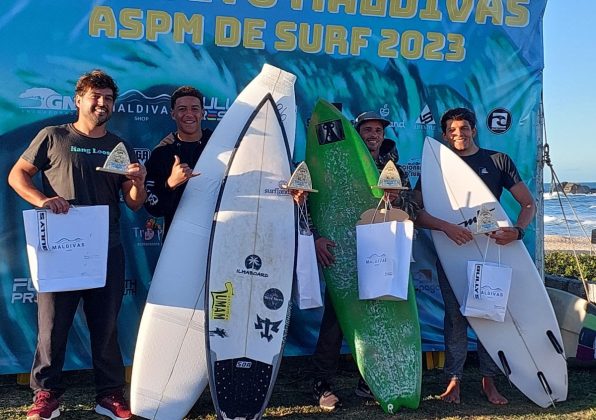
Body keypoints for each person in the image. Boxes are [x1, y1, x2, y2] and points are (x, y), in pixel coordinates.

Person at [8, 70, 146, 420]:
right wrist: (42, 200)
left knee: (106, 327)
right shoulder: (52, 136)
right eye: (96, 96)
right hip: (58, 249)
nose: (102, 103)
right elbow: (16, 175)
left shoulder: (119, 146)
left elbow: (132, 202)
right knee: (52, 327)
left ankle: (110, 396)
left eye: (109, 98)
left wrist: (138, 182)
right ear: (79, 100)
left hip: (106, 249)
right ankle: (46, 396)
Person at [414, 107, 536, 405]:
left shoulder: (497, 161)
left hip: (490, 251)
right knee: (455, 318)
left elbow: (528, 204)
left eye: (464, 128)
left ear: (474, 130)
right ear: (444, 135)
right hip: (452, 251)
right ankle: (453, 381)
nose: (459, 134)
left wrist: (517, 232)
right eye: (452, 131)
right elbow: (416, 211)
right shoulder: (436, 166)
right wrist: (446, 228)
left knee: (490, 314)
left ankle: (489, 381)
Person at [309, 111, 420, 411]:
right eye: (367, 129)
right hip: (344, 250)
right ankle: (323, 384)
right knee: (336, 320)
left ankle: (370, 382)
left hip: (382, 253)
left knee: (381, 317)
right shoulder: (340, 164)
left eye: (378, 130)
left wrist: (397, 200)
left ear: (383, 135)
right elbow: (312, 200)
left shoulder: (394, 168)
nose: (373, 134)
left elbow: (412, 210)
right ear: (357, 134)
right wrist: (316, 237)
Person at [144, 86, 213, 237]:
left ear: (202, 113)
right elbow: (153, 208)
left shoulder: (221, 144)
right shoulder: (161, 153)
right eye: (182, 109)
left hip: (218, 237)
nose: (189, 114)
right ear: (173, 114)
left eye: (194, 109)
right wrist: (170, 184)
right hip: (178, 240)